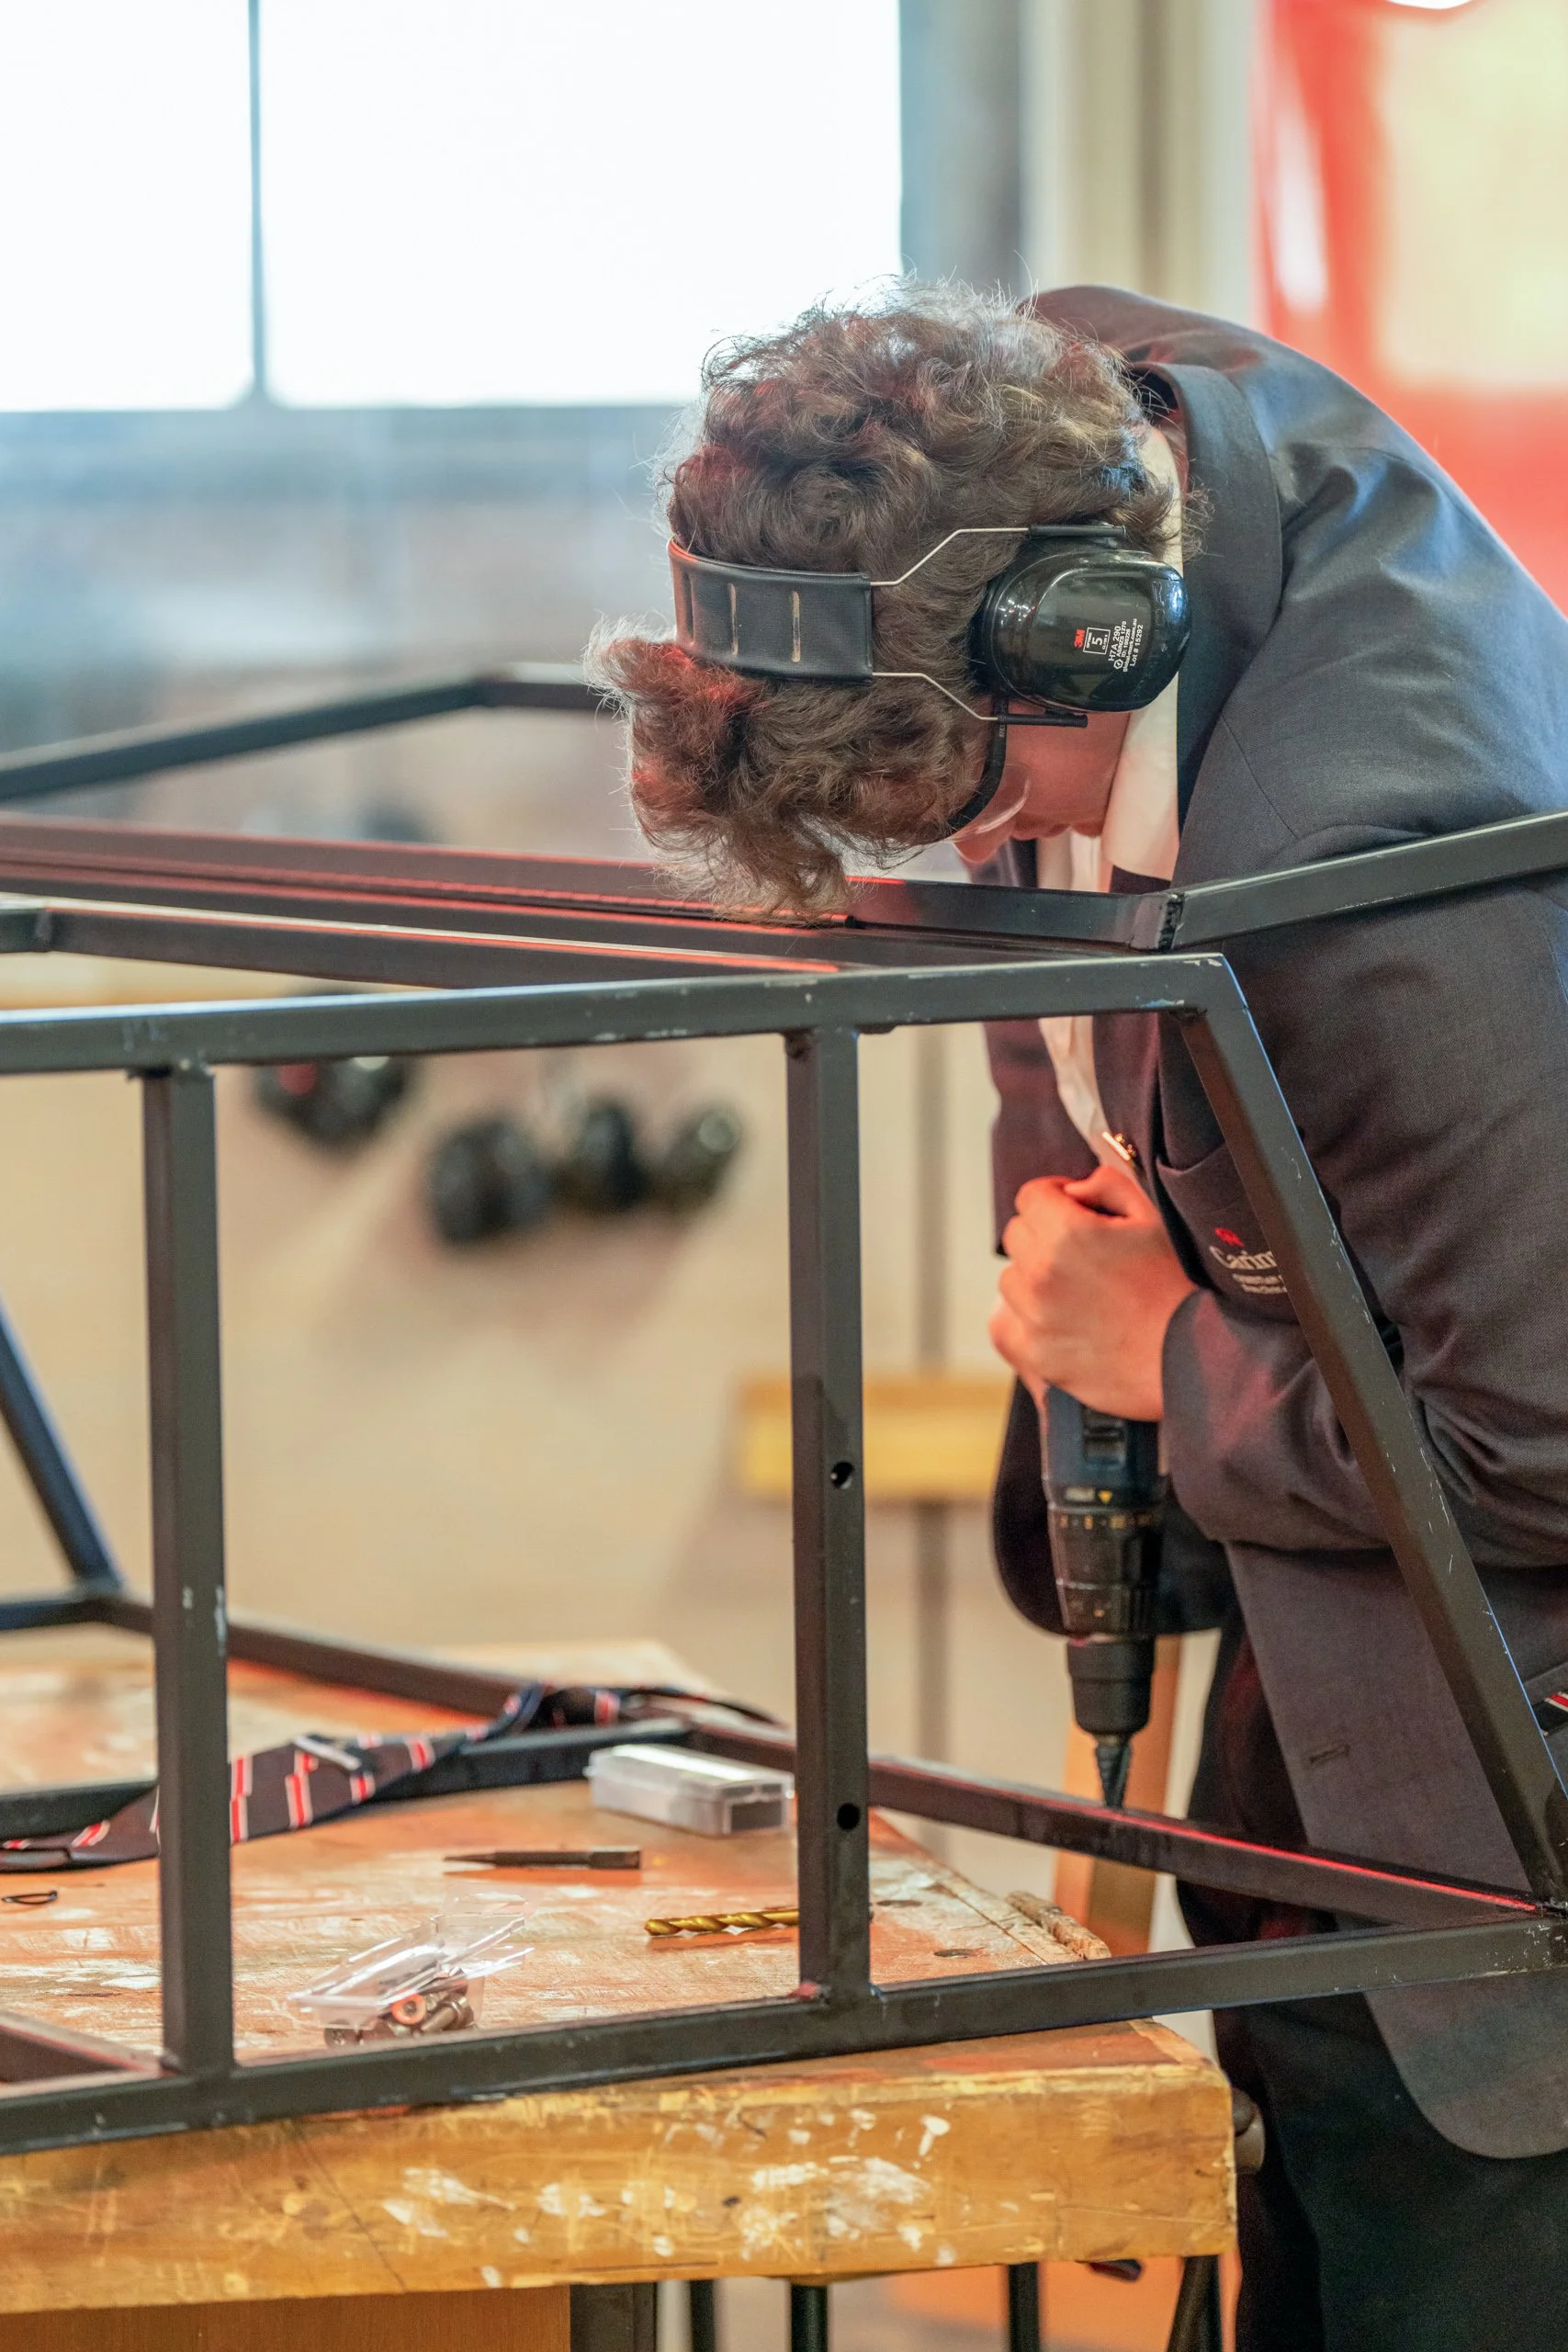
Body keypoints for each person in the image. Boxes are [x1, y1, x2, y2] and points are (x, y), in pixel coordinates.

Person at [592, 283, 1568, 2351]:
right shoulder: (1087, 430)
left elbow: (1550, 1435)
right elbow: (1051, 935)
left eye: (972, 793)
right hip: (1321, 1728)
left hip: (1509, 1848)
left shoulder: (1392, 872)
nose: (970, 847)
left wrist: (1161, 1355)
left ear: (1082, 635)